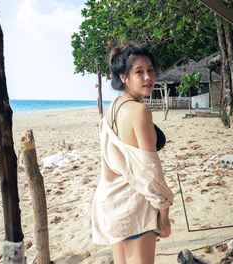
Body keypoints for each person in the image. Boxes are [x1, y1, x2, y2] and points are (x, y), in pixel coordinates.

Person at [91, 42, 174, 264]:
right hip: (133, 206)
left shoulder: (114, 107)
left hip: (111, 203)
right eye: (139, 72)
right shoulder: (139, 112)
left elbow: (109, 164)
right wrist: (164, 216)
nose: (148, 77)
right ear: (124, 77)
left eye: (150, 70)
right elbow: (151, 173)